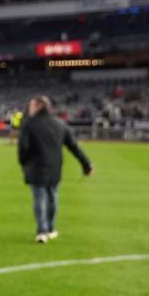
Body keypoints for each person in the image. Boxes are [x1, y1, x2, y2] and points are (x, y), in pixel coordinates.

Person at [17, 95, 93, 243]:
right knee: (52, 197)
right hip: (55, 168)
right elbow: (74, 147)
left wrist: (24, 162)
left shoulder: (29, 124)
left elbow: (23, 148)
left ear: (38, 106)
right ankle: (51, 228)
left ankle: (42, 231)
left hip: (36, 167)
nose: (29, 109)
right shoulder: (59, 124)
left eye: (31, 106)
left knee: (39, 198)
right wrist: (86, 164)